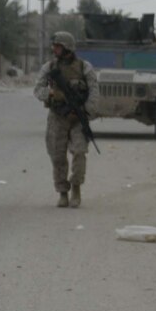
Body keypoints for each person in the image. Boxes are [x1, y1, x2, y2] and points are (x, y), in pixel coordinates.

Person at [34, 31, 98, 208]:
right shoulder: (49, 67)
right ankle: (63, 192)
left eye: (58, 46)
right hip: (57, 117)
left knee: (79, 152)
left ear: (67, 47)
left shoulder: (85, 67)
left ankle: (76, 187)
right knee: (57, 155)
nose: (54, 49)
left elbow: (93, 92)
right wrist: (52, 93)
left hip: (78, 117)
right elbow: (38, 90)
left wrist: (86, 112)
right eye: (54, 46)